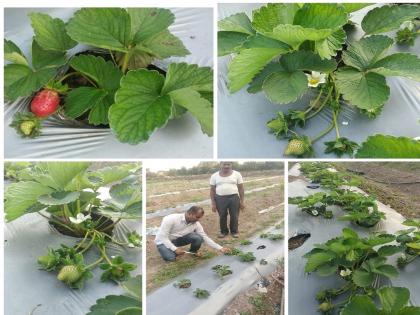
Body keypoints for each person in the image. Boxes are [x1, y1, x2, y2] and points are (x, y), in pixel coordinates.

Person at [155, 206, 229, 262]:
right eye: (197, 217)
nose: (198, 219)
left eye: (200, 218)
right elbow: (163, 237)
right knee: (170, 258)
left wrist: (220, 248)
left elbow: (204, 237)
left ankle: (193, 252)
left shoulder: (196, 223)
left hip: (177, 240)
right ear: (189, 214)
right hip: (163, 242)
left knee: (198, 237)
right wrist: (174, 249)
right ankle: (167, 250)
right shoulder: (171, 219)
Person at [210, 162, 245, 238]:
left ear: (231, 164)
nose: (226, 166)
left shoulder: (237, 174)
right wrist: (213, 203)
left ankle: (234, 231)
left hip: (234, 197)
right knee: (222, 215)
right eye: (224, 164)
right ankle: (224, 232)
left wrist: (242, 201)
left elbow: (241, 188)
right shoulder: (214, 176)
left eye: (228, 164)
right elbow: (212, 190)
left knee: (234, 215)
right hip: (220, 198)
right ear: (220, 165)